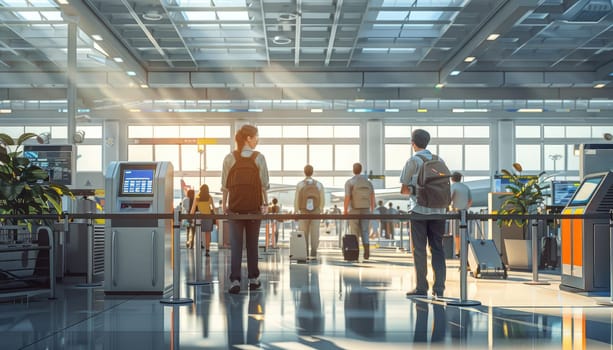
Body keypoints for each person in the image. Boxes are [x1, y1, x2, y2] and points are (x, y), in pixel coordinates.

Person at [222, 124, 270, 294]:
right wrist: (265, 204)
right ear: (248, 139)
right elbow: (264, 185)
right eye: (256, 136)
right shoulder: (259, 158)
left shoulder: (230, 158)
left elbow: (225, 186)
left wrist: (224, 205)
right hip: (253, 208)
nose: (257, 140)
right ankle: (253, 279)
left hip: (235, 208)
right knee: (252, 245)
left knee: (235, 245)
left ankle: (234, 281)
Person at [400, 129, 447, 298]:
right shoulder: (439, 160)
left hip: (418, 210)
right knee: (438, 248)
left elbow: (404, 189)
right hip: (439, 210)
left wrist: (415, 190)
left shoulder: (413, 160)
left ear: (413, 143)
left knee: (419, 249)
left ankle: (421, 287)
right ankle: (439, 287)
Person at [343, 162, 375, 260]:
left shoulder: (350, 182)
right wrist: (372, 209)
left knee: (354, 231)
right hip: (366, 209)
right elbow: (372, 196)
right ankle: (367, 253)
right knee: (365, 231)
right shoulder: (368, 182)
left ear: (353, 170)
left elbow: (347, 197)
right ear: (360, 170)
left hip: (353, 209)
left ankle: (355, 253)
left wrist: (345, 210)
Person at [294, 164, 325, 259]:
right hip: (316, 211)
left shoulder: (300, 184)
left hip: (303, 211)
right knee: (315, 233)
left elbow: (296, 200)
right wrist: (320, 209)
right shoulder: (319, 184)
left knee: (303, 233)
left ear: (304, 172)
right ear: (312, 172)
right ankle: (314, 253)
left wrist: (296, 210)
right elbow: (322, 200)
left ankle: (305, 253)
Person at [450, 171, 473, 256]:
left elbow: (450, 198)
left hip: (456, 212)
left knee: (456, 233)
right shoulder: (466, 187)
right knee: (464, 231)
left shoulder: (453, 187)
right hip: (465, 212)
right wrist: (465, 208)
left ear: (452, 178)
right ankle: (465, 250)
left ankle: (458, 250)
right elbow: (470, 201)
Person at [190, 184, 215, 255]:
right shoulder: (210, 197)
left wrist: (190, 217)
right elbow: (213, 208)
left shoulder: (197, 197)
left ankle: (198, 248)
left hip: (200, 218)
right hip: (208, 217)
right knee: (208, 234)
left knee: (198, 233)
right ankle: (207, 250)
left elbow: (192, 210)